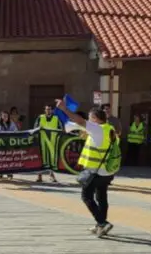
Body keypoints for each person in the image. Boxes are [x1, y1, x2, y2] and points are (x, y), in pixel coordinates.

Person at [55, 99, 118, 237]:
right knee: (101, 196)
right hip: (107, 171)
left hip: (95, 171)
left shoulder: (96, 129)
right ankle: (100, 225)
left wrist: (64, 109)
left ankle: (102, 223)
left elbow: (79, 121)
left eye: (89, 118)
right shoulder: (109, 128)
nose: (87, 121)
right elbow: (83, 127)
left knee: (86, 196)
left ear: (95, 119)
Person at [34, 105, 62, 183]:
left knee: (52, 159)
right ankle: (39, 176)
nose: (48, 111)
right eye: (47, 109)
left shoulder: (56, 118)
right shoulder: (40, 117)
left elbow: (61, 129)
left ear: (52, 110)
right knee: (41, 159)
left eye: (49, 109)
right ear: (45, 110)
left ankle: (51, 176)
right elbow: (35, 127)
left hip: (53, 142)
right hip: (42, 141)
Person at [0, 111, 16, 179]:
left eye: (6, 116)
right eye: (4, 116)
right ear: (1, 117)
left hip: (9, 145)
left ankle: (9, 174)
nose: (5, 117)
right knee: (0, 159)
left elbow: (16, 132)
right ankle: (0, 173)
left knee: (9, 159)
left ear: (8, 117)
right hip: (0, 145)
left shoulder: (12, 124)